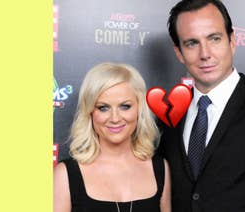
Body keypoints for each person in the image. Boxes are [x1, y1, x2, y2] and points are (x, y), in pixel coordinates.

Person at [158, 0, 245, 211]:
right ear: (178, 52)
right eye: (192, 43)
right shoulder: (167, 115)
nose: (205, 54)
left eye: (214, 38)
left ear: (232, 40)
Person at [54, 62, 171, 212]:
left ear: (139, 109)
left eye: (125, 106)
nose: (115, 118)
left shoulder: (161, 169)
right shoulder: (64, 175)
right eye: (103, 108)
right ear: (90, 112)